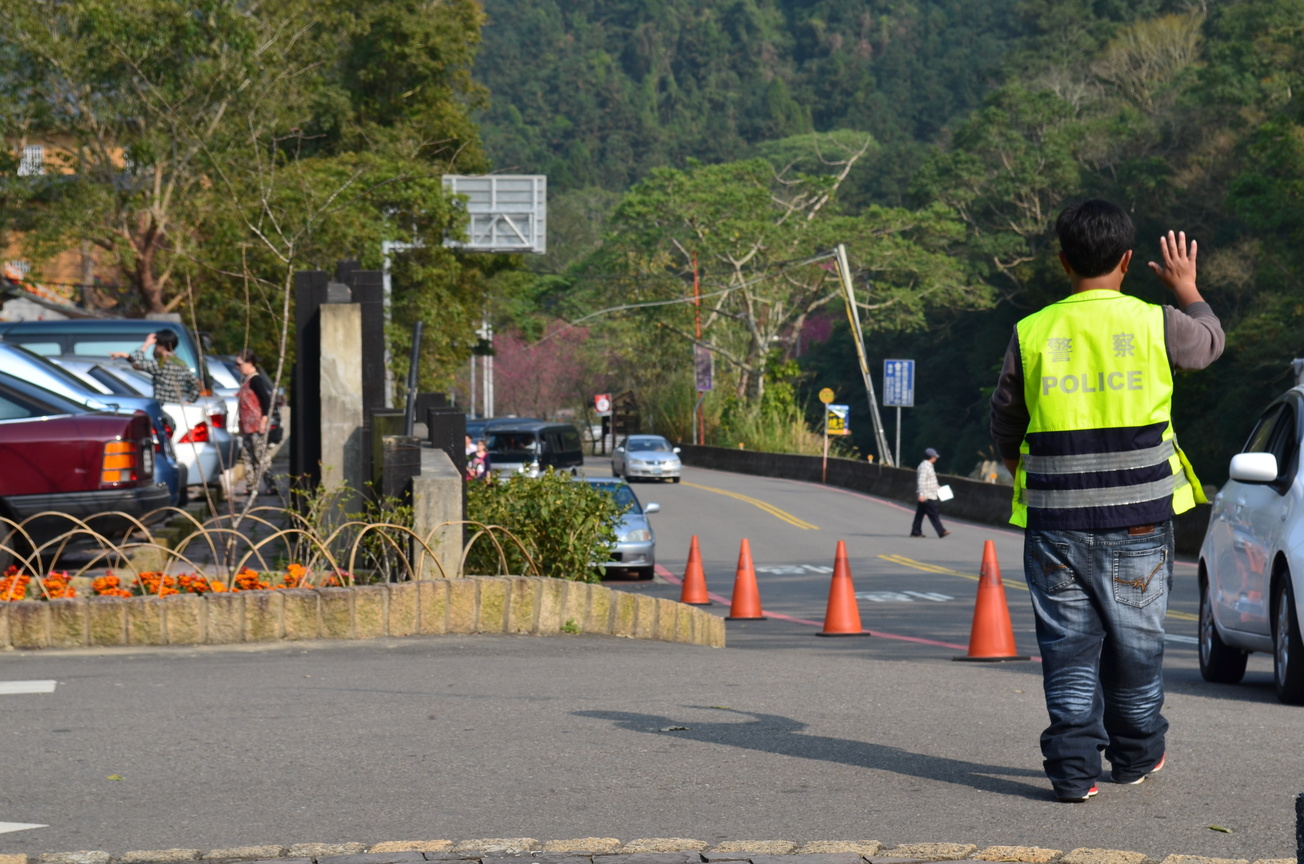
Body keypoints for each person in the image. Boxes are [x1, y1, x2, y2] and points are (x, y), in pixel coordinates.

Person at [989, 200, 1224, 803]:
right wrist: (1188, 289)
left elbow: (1006, 424)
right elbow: (1207, 347)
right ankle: (1136, 755)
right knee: (1139, 642)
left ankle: (1072, 771)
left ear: (1063, 261)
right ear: (1126, 260)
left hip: (1055, 523)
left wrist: (1033, 476)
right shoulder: (1155, 321)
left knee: (1067, 647)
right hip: (1139, 520)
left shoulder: (1032, 331)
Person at [110, 329, 201, 404]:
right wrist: (188, 402)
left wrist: (146, 344)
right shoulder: (180, 363)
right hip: (176, 407)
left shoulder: (163, 363)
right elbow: (197, 386)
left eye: (156, 345)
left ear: (162, 346)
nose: (154, 347)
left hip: (163, 408)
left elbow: (138, 364)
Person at [234, 349, 275, 495]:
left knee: (261, 456)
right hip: (247, 426)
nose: (238, 368)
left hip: (256, 425)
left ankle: (271, 484)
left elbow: (266, 400)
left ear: (249, 363)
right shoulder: (246, 380)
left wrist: (264, 419)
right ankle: (251, 486)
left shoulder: (256, 379)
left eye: (239, 364)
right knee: (247, 456)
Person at [910, 448, 950, 538]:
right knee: (933, 513)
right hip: (927, 495)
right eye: (935, 456)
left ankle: (916, 531)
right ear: (932, 457)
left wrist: (937, 486)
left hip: (929, 493)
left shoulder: (928, 466)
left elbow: (929, 480)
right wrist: (921, 494)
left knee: (920, 514)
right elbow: (921, 481)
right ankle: (941, 531)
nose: (936, 458)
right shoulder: (925, 467)